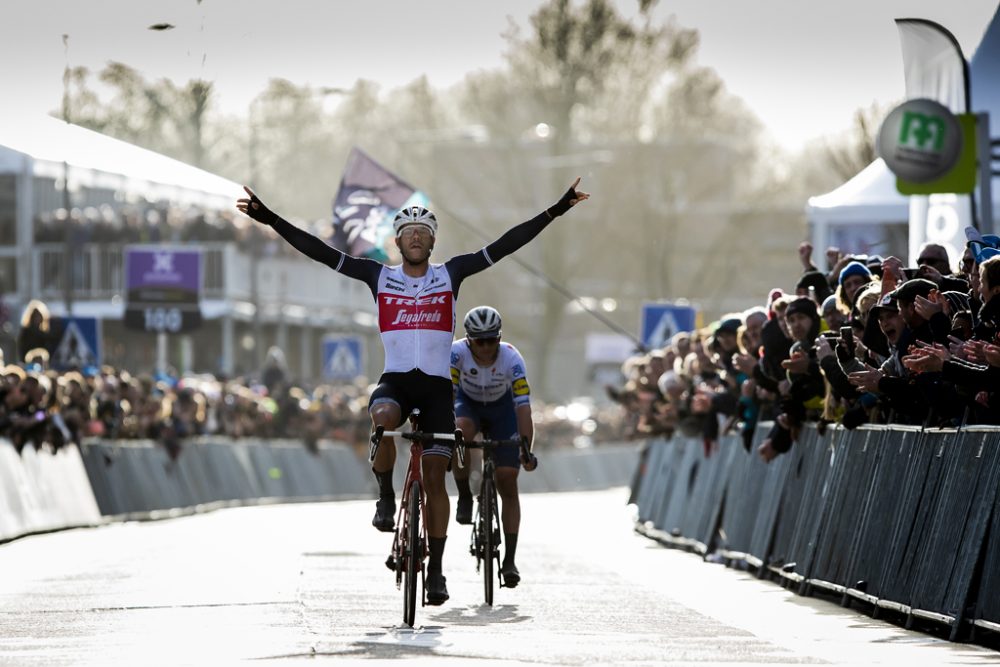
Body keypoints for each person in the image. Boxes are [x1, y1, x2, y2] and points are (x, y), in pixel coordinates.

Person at [237, 179, 589, 605]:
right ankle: (385, 494)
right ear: (399, 241)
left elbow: (506, 244)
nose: (417, 238)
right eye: (409, 233)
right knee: (383, 420)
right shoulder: (378, 275)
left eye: (424, 233)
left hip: (439, 388)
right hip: (398, 380)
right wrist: (271, 218)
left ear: (433, 241)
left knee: (437, 479)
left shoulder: (451, 273)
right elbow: (320, 252)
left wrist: (556, 209)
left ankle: (437, 571)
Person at [450, 306, 537, 588]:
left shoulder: (512, 359)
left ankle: (509, 560)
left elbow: (523, 408)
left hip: (503, 410)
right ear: (468, 339)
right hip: (468, 404)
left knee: (508, 480)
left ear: (499, 338)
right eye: (480, 341)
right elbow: (446, 400)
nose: (486, 348)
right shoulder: (456, 354)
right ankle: (464, 494)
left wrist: (526, 448)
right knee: (459, 432)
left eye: (492, 340)